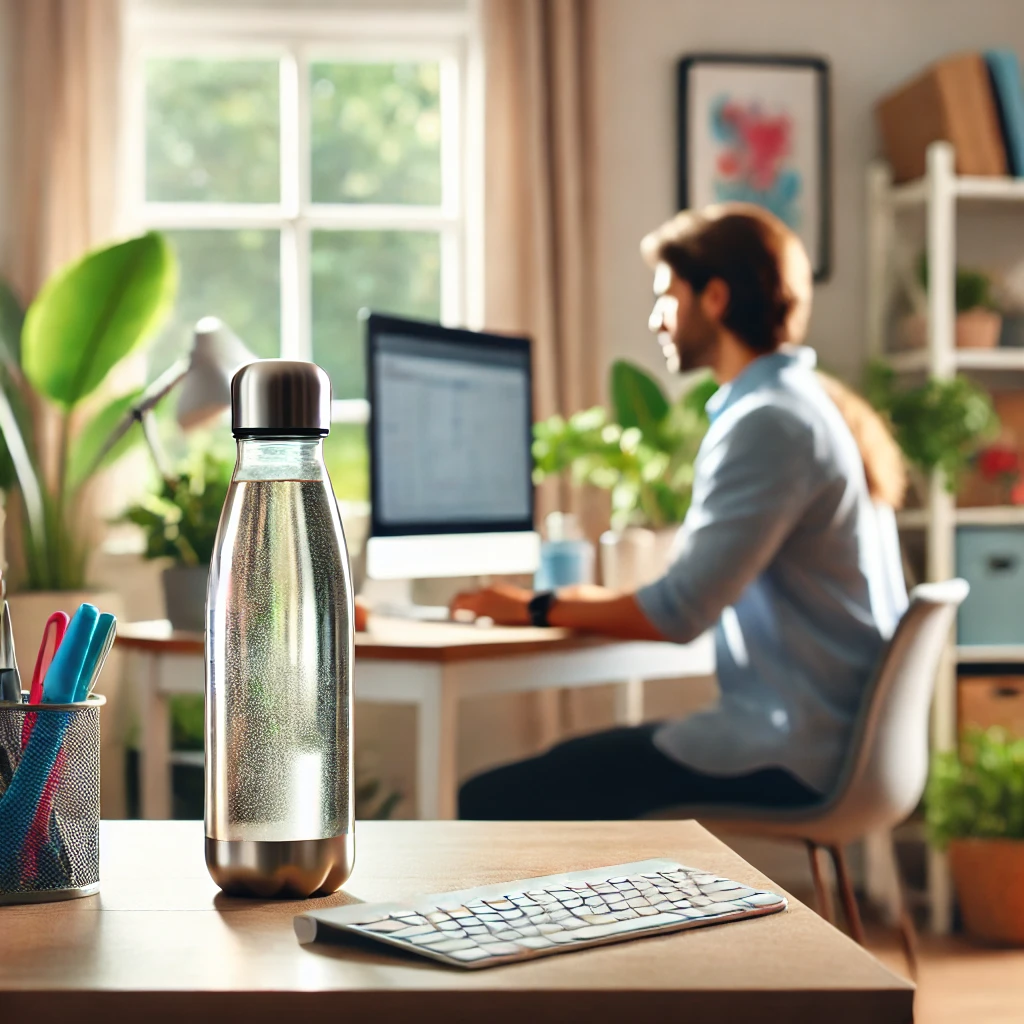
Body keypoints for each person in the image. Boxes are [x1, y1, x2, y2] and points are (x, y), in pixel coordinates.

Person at [452, 202, 909, 821]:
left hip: (792, 748)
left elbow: (680, 612)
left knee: (491, 798)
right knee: (575, 766)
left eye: (667, 295)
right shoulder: (801, 404)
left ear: (714, 298)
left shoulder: (769, 422)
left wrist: (534, 606)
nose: (656, 319)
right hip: (832, 740)